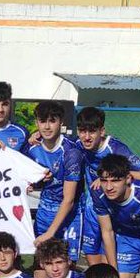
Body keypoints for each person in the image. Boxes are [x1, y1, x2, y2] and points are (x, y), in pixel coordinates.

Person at [74, 106, 140, 265]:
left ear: (102, 131)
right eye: (83, 131)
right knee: (94, 265)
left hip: (114, 211)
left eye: (92, 131)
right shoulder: (78, 144)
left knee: (111, 263)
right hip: (92, 207)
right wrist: (37, 136)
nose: (87, 137)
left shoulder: (117, 149)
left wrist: (114, 176)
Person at [26, 100, 83, 256]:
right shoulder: (32, 149)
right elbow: (25, 179)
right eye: (42, 121)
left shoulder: (71, 153)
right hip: (44, 211)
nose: (46, 126)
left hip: (68, 215)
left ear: (61, 121)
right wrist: (30, 184)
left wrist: (50, 232)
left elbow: (69, 199)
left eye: (52, 121)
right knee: (41, 268)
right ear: (37, 122)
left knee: (64, 266)